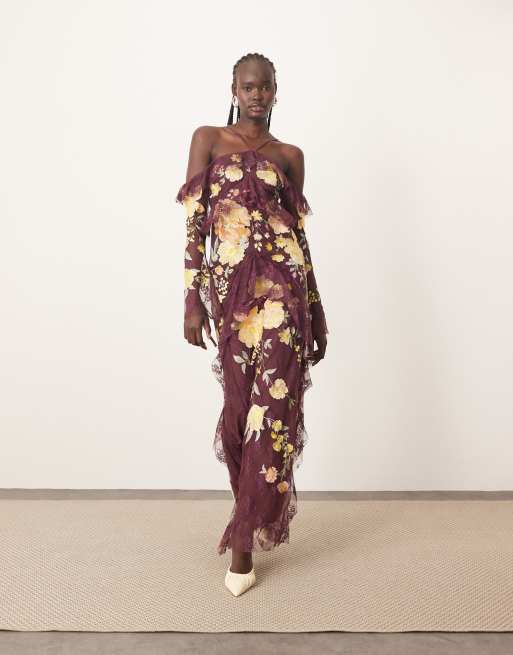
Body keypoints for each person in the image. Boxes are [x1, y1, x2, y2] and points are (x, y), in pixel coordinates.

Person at [176, 52, 328, 595]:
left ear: (276, 92)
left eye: (265, 87)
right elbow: (195, 225)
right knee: (239, 413)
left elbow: (298, 237)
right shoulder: (208, 139)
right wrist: (192, 300)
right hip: (232, 298)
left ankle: (242, 543)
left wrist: (317, 310)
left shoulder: (290, 155)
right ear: (234, 90)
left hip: (286, 295)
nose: (257, 94)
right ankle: (249, 514)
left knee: (274, 414)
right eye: (249, 86)